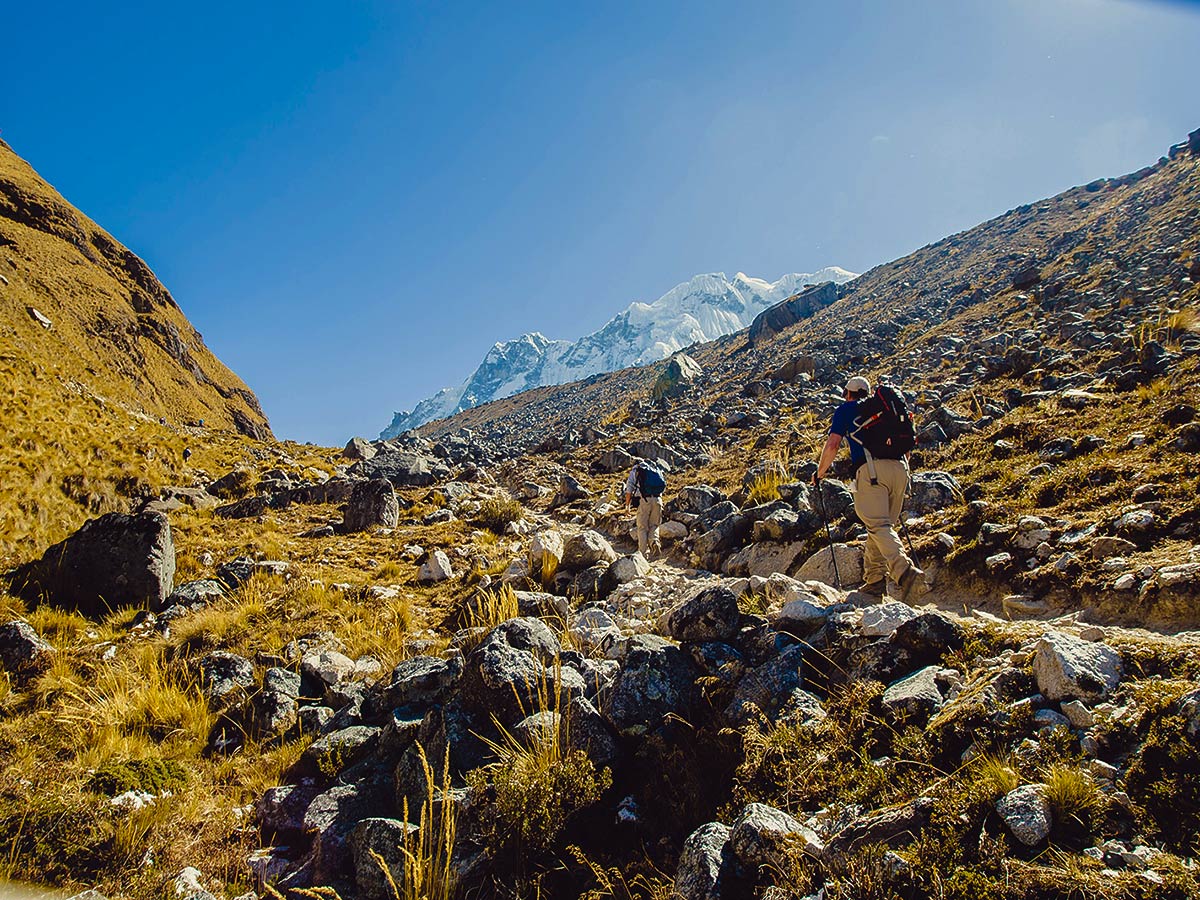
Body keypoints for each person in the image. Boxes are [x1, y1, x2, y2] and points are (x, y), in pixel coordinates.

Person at [814, 375, 925, 602]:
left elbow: (833, 444)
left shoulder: (846, 410)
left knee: (877, 525)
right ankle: (874, 582)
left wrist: (820, 472)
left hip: (872, 472)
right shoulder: (886, 411)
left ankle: (905, 571)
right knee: (882, 528)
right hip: (900, 470)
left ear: (848, 393)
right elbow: (906, 445)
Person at [623, 460, 663, 559]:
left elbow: (629, 490)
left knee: (642, 527)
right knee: (654, 525)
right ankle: (654, 542)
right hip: (658, 500)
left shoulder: (636, 471)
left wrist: (627, 507)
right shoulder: (654, 470)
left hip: (645, 500)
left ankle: (642, 554)